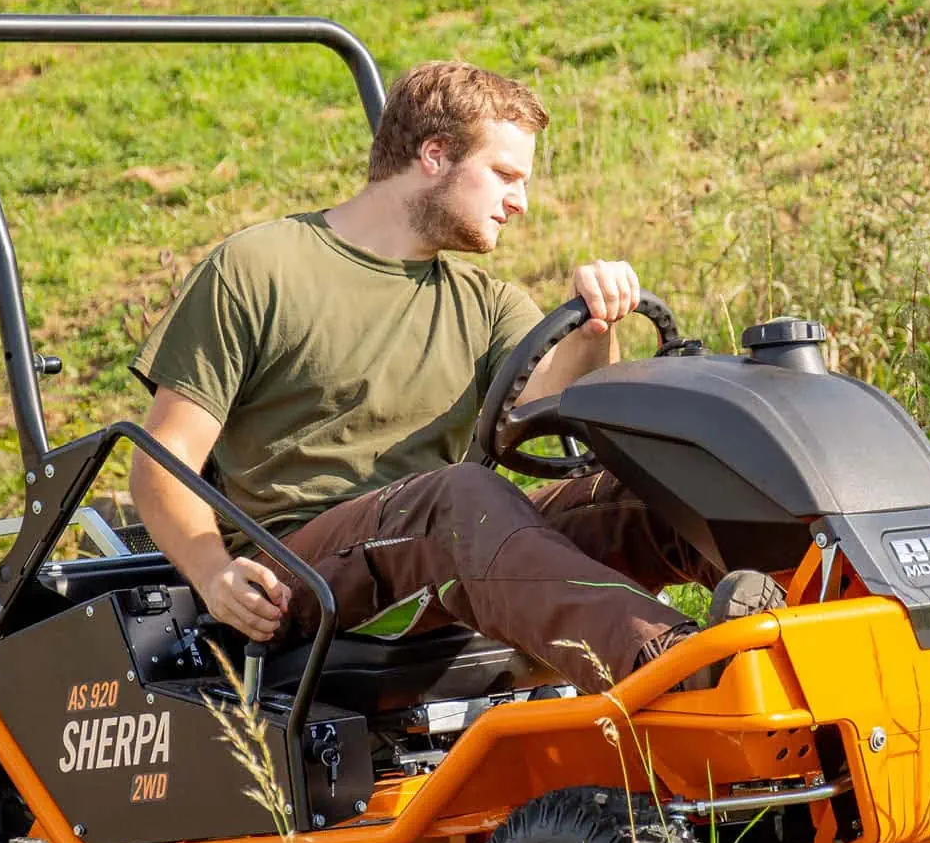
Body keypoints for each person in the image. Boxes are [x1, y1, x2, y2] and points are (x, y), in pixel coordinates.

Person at [127, 60, 780, 693]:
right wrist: (213, 574)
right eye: (504, 175)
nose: (520, 202)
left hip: (438, 536)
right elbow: (163, 462)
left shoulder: (484, 299)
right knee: (458, 500)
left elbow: (555, 409)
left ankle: (809, 625)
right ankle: (683, 671)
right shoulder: (260, 267)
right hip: (298, 570)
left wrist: (596, 329)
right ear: (434, 155)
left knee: (640, 491)